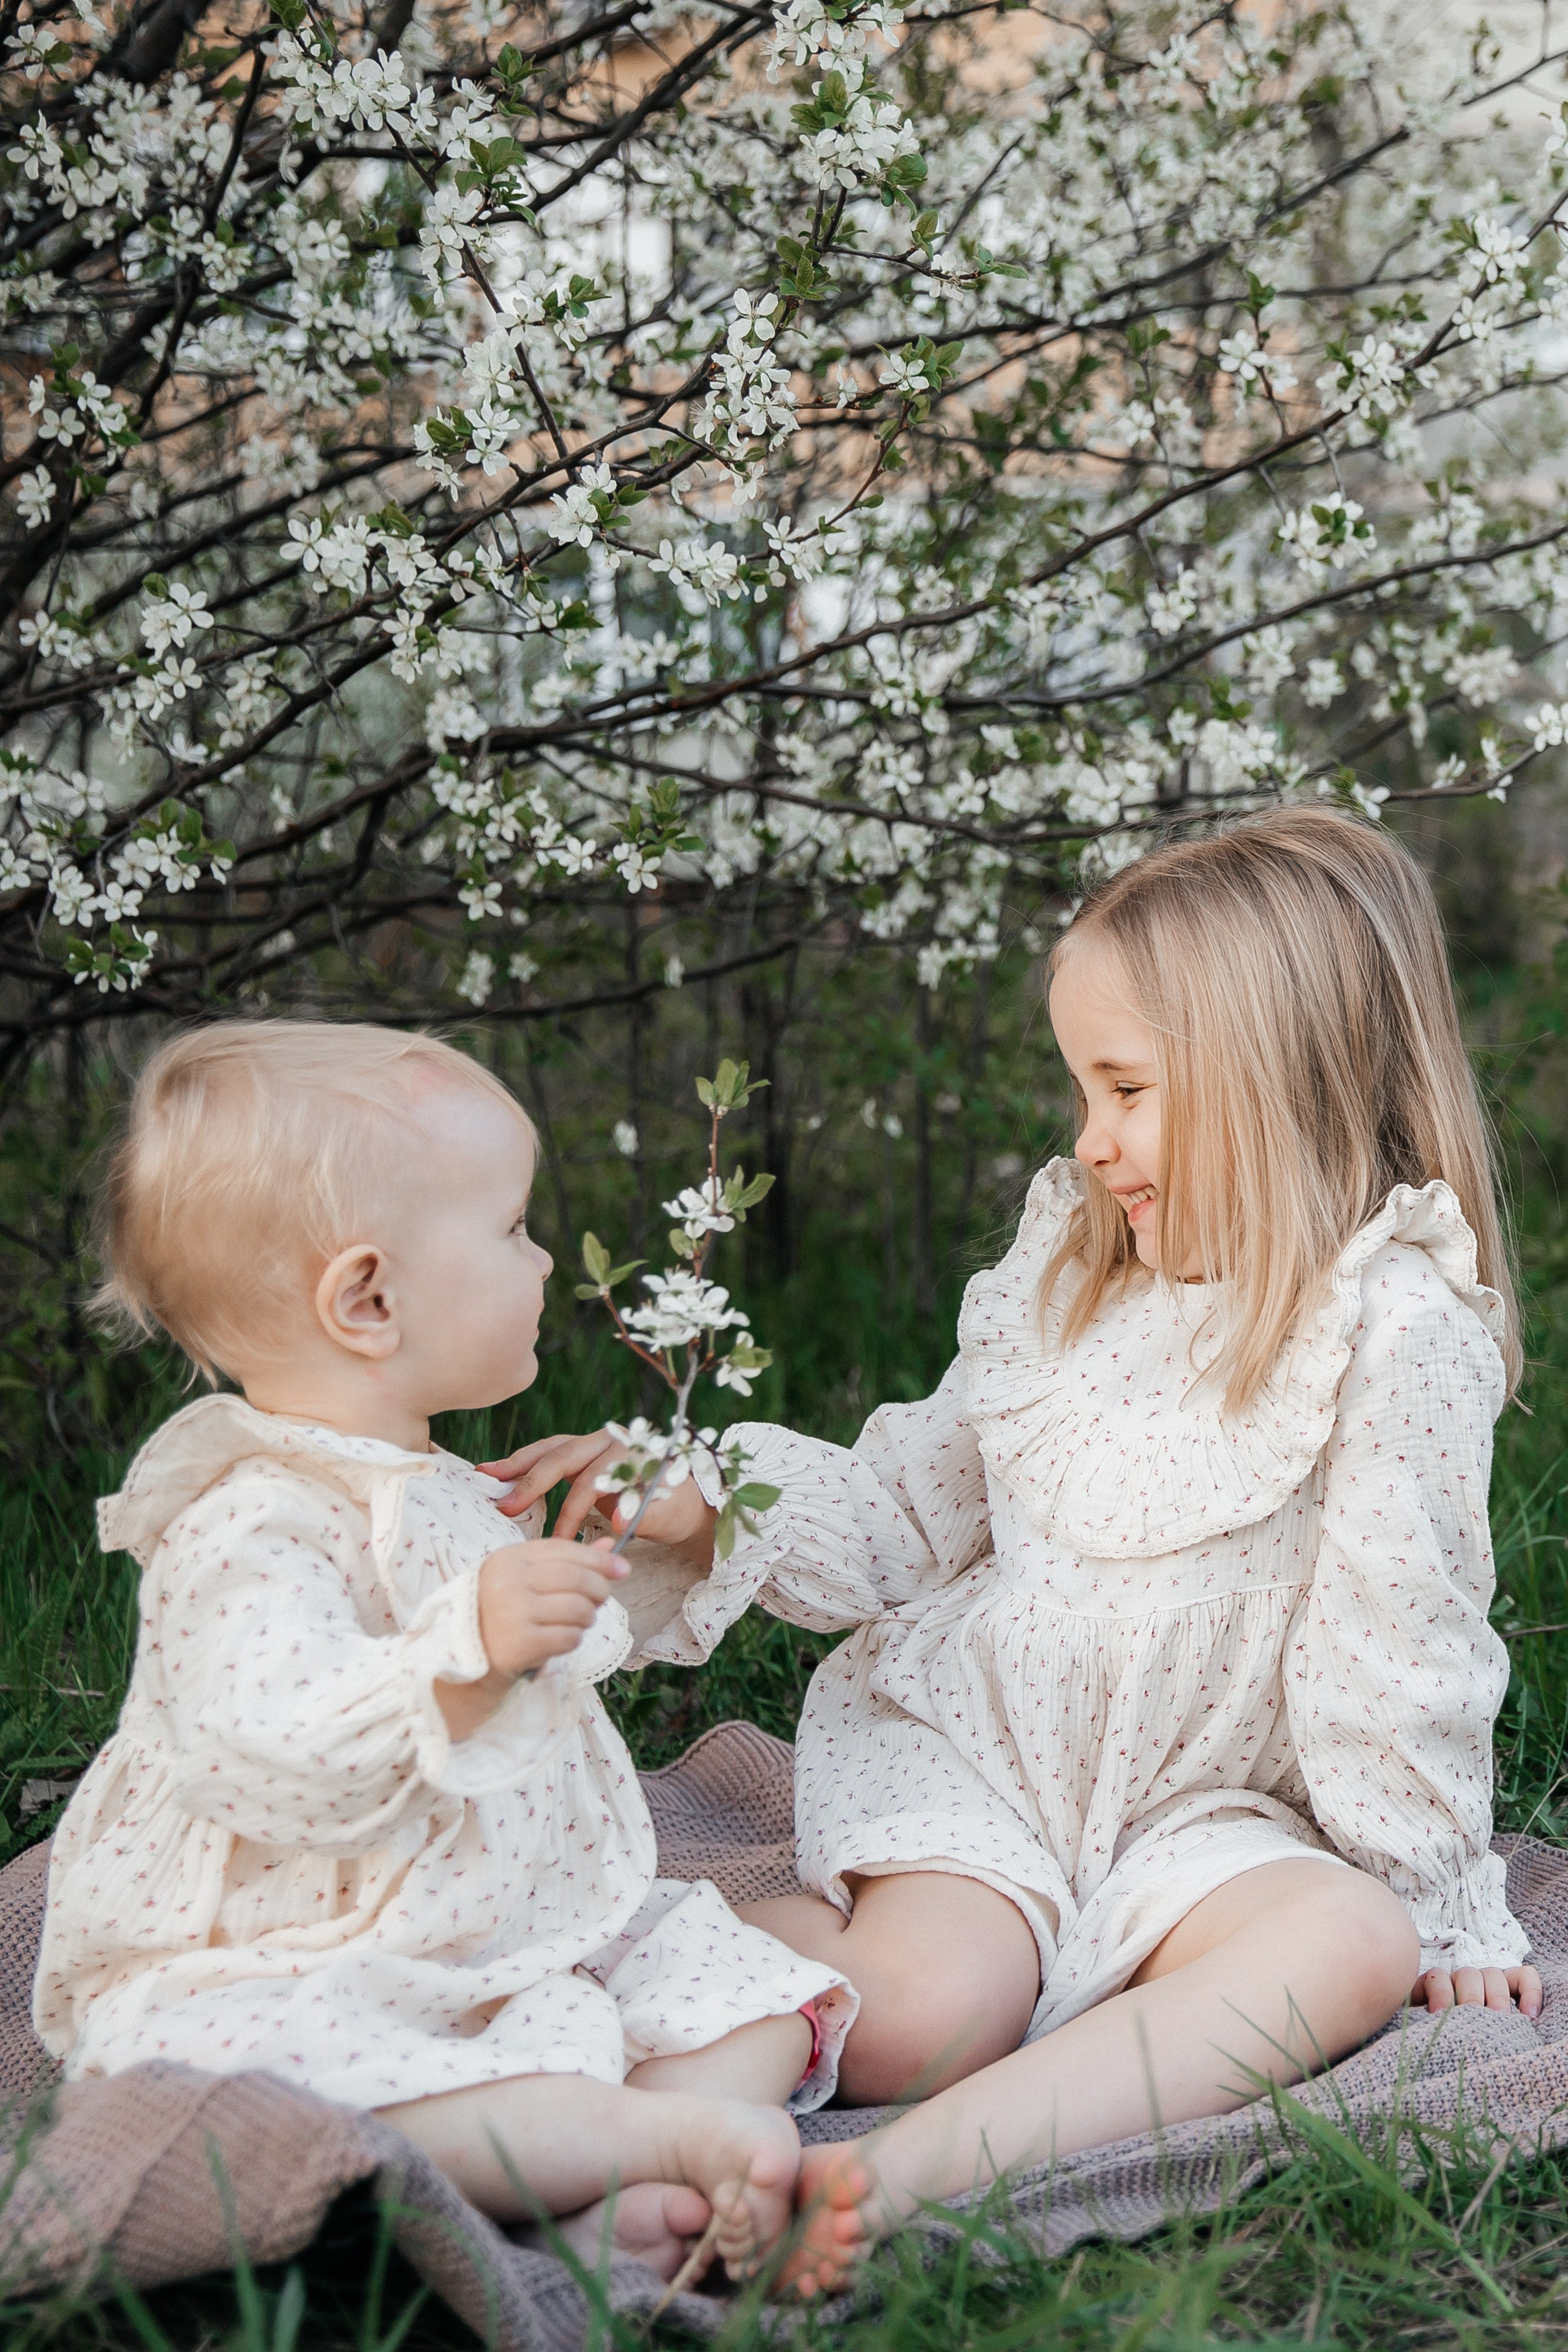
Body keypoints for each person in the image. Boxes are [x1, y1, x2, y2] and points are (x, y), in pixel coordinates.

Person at [501, 807, 1540, 2293]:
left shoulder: (1392, 1325)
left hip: (1209, 1803)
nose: (1088, 1136)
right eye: (1082, 1088)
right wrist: (705, 1492)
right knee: (925, 2010)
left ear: (1277, 1078)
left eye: (1125, 1087)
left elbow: (1403, 1638)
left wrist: (1438, 1891)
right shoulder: (1066, 1275)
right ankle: (644, 2106)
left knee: (1349, 1940)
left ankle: (896, 2173)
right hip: (985, 1755)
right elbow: (910, 1510)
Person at [34, 1022, 855, 2286]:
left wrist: (605, 1557)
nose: (543, 1264)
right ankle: (656, 2138)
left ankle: (609, 2197)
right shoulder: (248, 1518)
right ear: (368, 1299)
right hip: (315, 1942)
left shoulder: (440, 1482)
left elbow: (553, 1656)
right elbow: (267, 1748)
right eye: (515, 1230)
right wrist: (464, 1654)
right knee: (268, 2067)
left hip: (493, 1917)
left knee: (729, 1976)